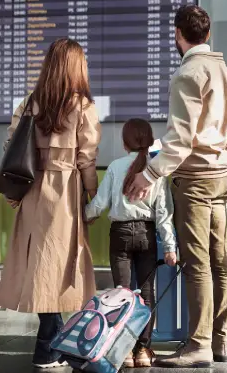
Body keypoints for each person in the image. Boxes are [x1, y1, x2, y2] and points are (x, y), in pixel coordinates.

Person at [127, 5, 227, 368]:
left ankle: (198, 346)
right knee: (221, 260)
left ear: (178, 34)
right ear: (207, 34)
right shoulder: (225, 72)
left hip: (195, 180)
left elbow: (180, 141)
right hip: (222, 174)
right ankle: (221, 341)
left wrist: (149, 174)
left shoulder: (188, 73)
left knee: (198, 263)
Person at [0, 38, 101, 369]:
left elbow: (12, 147)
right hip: (64, 197)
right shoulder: (82, 107)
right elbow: (87, 159)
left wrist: (14, 192)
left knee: (41, 266)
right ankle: (48, 346)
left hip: (32, 193)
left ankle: (50, 344)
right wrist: (94, 199)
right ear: (75, 67)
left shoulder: (30, 103)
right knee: (59, 267)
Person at [84, 118, 177, 368]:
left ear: (125, 143)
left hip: (121, 235)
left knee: (121, 295)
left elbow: (100, 204)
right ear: (148, 140)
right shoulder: (156, 171)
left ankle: (123, 351)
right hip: (147, 236)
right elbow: (164, 214)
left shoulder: (115, 166)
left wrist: (84, 217)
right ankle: (143, 351)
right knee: (147, 294)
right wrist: (169, 247)